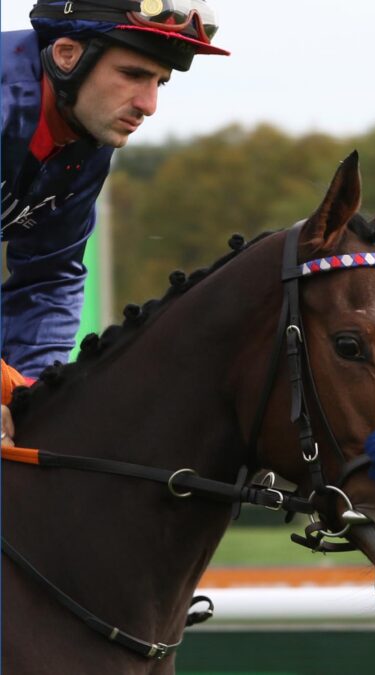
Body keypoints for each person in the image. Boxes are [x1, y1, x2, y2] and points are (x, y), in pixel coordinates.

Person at [0, 0, 228, 447]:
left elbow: (48, 279)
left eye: (160, 82)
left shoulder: (84, 143)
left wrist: (31, 396)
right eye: (133, 74)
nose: (149, 105)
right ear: (67, 55)